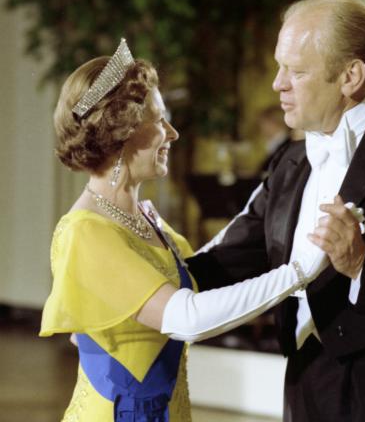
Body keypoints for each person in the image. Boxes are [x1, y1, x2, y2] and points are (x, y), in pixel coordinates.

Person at [187, 0, 365, 421]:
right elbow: (228, 261)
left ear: (350, 76)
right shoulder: (290, 162)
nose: (277, 84)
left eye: (296, 71)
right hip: (306, 390)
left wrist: (363, 265)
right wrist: (136, 279)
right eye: (278, 66)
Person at [39, 39, 333, 422]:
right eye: (160, 120)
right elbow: (189, 317)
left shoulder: (144, 219)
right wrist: (301, 271)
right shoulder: (86, 232)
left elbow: (195, 278)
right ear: (122, 132)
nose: (173, 133)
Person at [257, 104, 292, 178]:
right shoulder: (278, 144)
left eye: (263, 122)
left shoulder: (288, 146)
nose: (260, 127)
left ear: (274, 123)